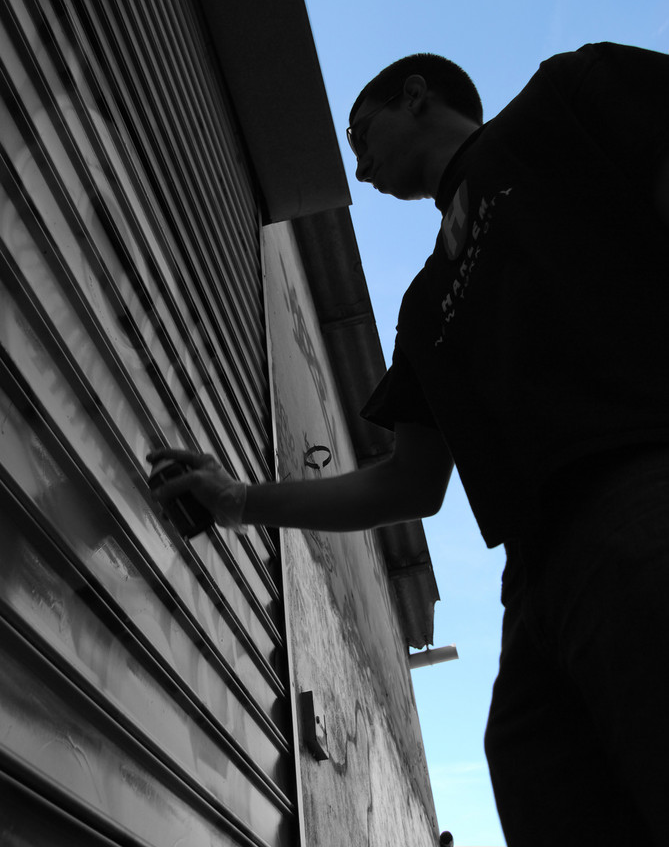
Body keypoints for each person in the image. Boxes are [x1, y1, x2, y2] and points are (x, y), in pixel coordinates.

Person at [148, 41, 669, 846]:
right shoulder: (425, 304)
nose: (359, 171)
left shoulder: (560, 102)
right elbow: (406, 486)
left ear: (415, 96)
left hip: (640, 479)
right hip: (535, 582)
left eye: (361, 138)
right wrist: (238, 501)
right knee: (536, 774)